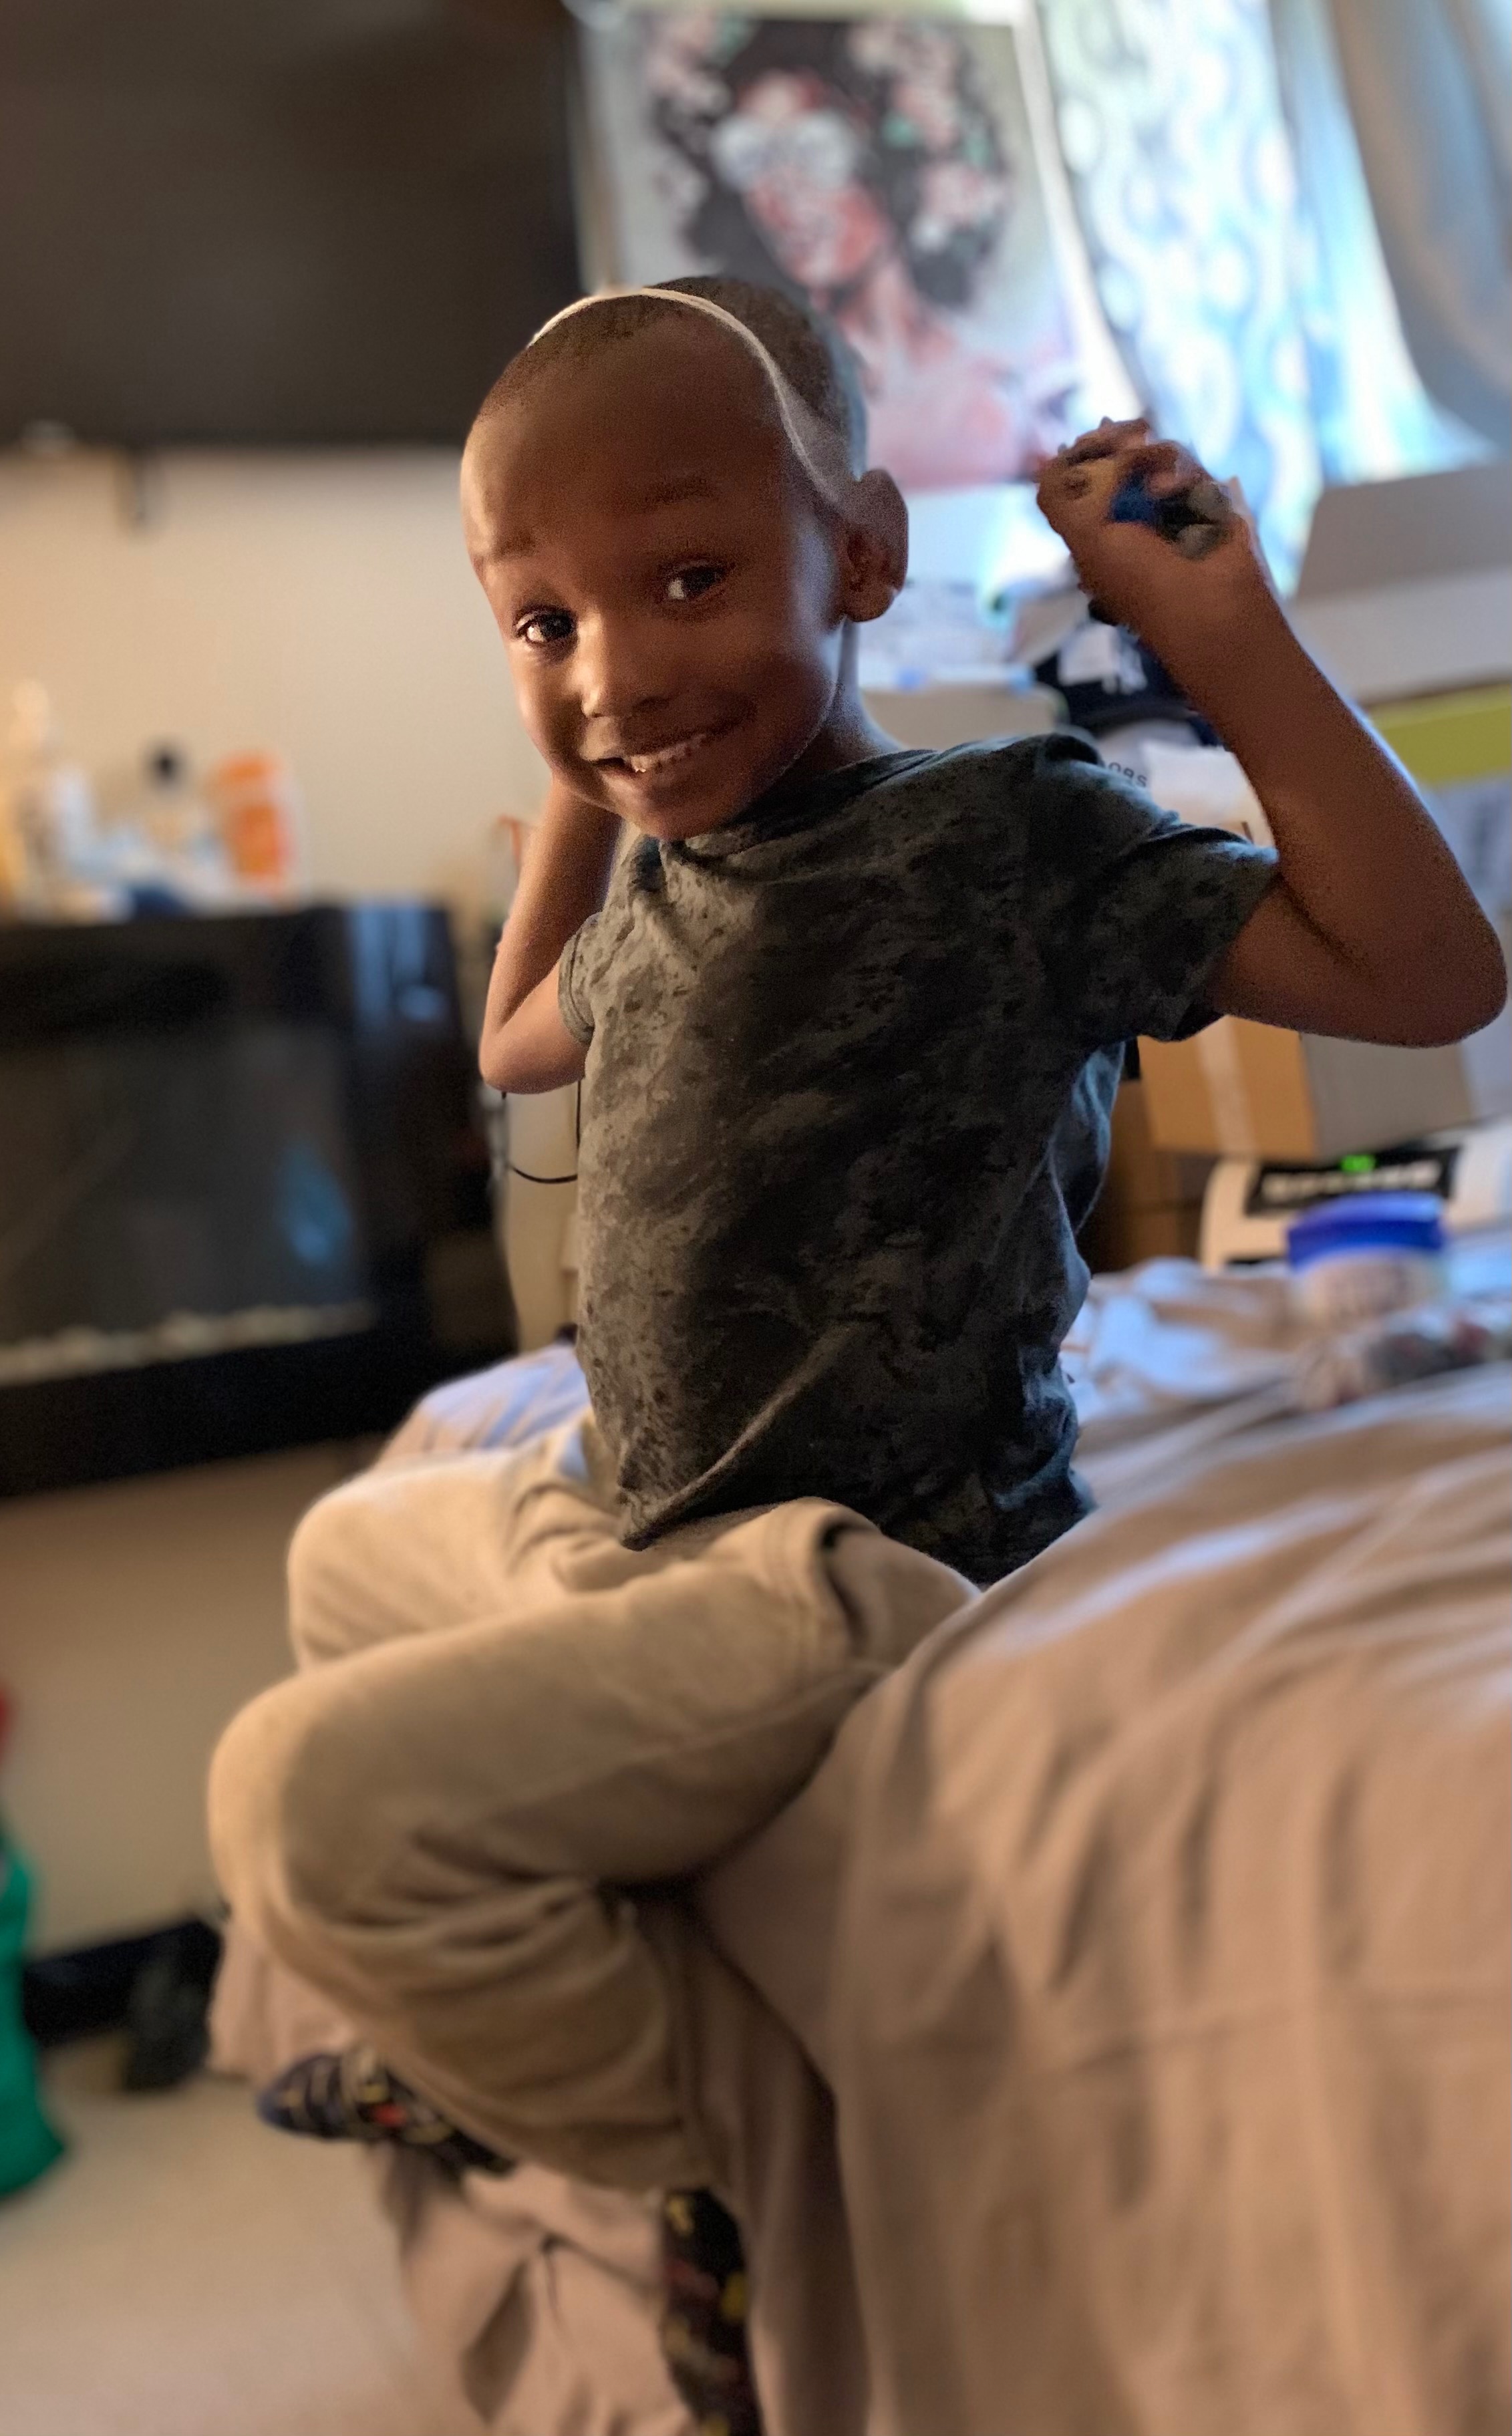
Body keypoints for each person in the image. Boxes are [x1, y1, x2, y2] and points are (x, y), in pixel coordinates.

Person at [207, 277, 1504, 2426]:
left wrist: (1230, 641)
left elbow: (1429, 974)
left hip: (855, 1566)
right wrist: (588, 754)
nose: (621, 666)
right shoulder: (666, 875)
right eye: (543, 621)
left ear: (865, 554)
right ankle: (555, 2010)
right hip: (645, 1514)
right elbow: (522, 1039)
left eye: (686, 582)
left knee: (295, 1798)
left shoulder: (1002, 835)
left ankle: (713, 2146)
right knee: (348, 1554)